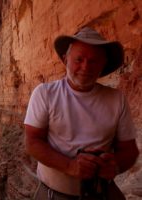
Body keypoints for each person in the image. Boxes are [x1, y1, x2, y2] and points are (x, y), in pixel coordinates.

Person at [24, 27, 139, 200]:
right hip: (53, 195)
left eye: (94, 61)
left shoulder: (116, 99)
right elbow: (32, 142)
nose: (85, 67)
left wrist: (115, 167)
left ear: (103, 65)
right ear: (65, 60)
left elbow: (129, 150)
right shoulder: (45, 94)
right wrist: (69, 166)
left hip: (102, 193)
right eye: (79, 59)